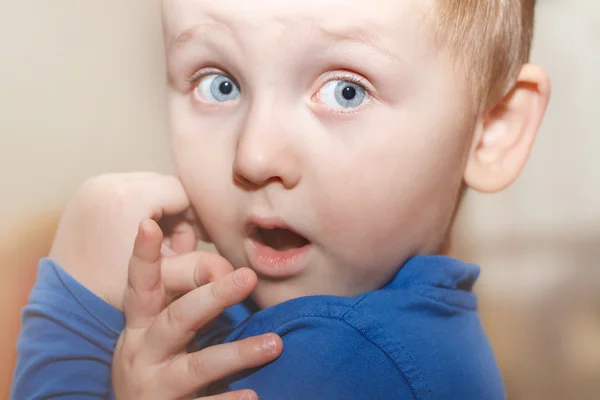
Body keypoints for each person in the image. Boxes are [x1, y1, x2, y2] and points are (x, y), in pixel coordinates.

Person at [11, 0, 551, 399]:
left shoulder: (338, 359)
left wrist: (73, 307)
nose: (255, 155)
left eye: (346, 91)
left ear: (492, 130)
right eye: (220, 84)